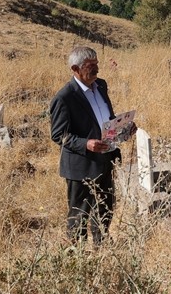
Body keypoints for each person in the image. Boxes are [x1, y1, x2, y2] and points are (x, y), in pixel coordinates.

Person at [49, 45, 125, 245]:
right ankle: (78, 254)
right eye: (90, 66)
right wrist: (86, 144)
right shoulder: (65, 97)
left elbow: (106, 119)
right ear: (75, 69)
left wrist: (123, 126)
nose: (96, 69)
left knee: (105, 207)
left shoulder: (101, 85)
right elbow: (58, 135)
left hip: (105, 158)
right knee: (79, 214)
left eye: (96, 63)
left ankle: (102, 246)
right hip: (81, 165)